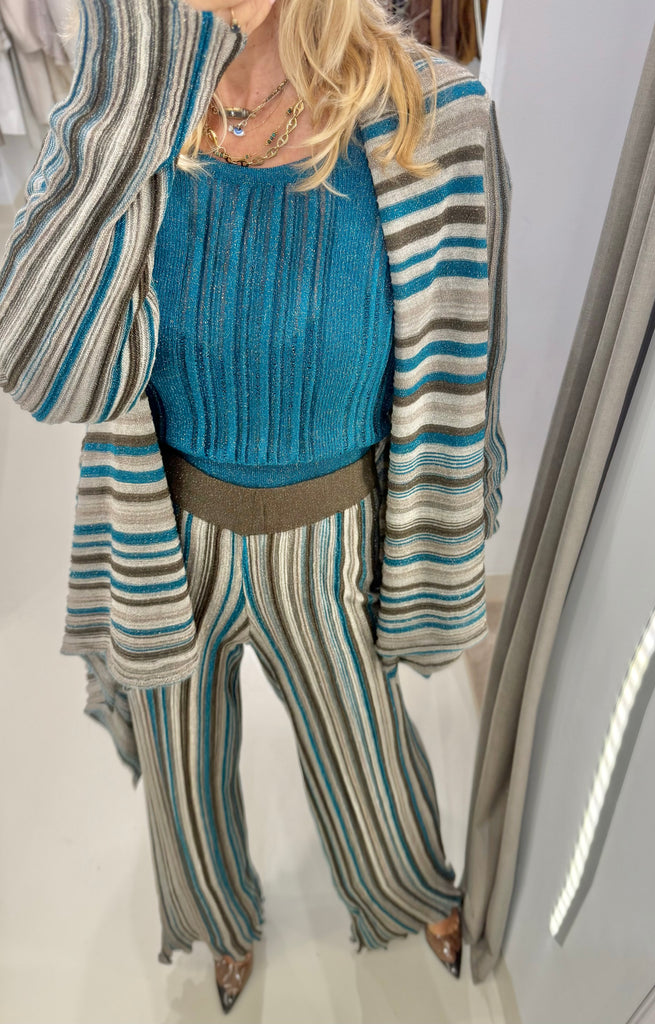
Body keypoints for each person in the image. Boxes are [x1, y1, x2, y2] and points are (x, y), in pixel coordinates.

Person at [0, 0, 510, 1012]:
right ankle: (220, 924)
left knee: (365, 753)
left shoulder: (433, 113)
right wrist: (132, 97)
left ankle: (406, 890)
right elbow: (41, 369)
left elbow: (465, 365)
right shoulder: (129, 110)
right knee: (183, 778)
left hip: (333, 534)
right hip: (163, 527)